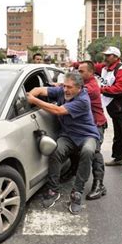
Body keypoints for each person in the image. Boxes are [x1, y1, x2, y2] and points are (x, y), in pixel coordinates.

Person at [27, 72, 100, 214]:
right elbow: (42, 90)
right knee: (56, 151)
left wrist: (35, 101)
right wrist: (32, 93)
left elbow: (58, 110)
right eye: (64, 86)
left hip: (87, 135)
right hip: (68, 135)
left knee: (87, 152)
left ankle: (77, 191)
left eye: (70, 87)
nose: (65, 90)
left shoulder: (83, 100)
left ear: (79, 87)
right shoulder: (63, 90)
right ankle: (53, 190)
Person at [98, 46, 122, 173]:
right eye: (105, 55)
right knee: (118, 134)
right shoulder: (106, 69)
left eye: (108, 55)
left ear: (116, 57)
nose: (105, 57)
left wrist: (101, 90)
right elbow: (92, 67)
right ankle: (118, 158)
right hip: (115, 107)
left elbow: (120, 88)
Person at [78, 61, 108, 200]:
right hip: (84, 125)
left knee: (95, 151)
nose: (78, 74)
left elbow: (74, 92)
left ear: (90, 73)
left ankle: (99, 184)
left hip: (96, 124)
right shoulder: (84, 83)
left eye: (81, 72)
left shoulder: (90, 87)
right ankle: (73, 171)